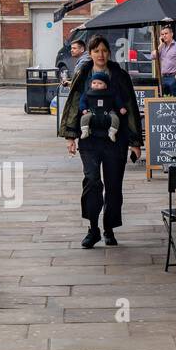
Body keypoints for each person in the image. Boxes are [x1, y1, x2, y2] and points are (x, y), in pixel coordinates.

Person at [61, 34, 141, 249]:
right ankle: (93, 228)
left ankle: (109, 228)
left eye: (104, 50)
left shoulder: (119, 75)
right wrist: (70, 136)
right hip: (90, 140)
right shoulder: (84, 73)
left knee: (114, 186)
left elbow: (130, 107)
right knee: (92, 181)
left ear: (109, 52)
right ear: (91, 53)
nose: (101, 55)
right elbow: (74, 104)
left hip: (116, 139)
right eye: (96, 51)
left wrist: (135, 141)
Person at [76, 70, 123, 143]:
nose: (96, 85)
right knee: (84, 118)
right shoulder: (88, 93)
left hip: (108, 111)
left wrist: (121, 107)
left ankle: (112, 132)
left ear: (106, 85)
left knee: (115, 118)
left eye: (100, 83)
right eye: (94, 83)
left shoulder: (111, 93)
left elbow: (117, 100)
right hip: (92, 111)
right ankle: (85, 131)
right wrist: (83, 108)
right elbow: (82, 101)